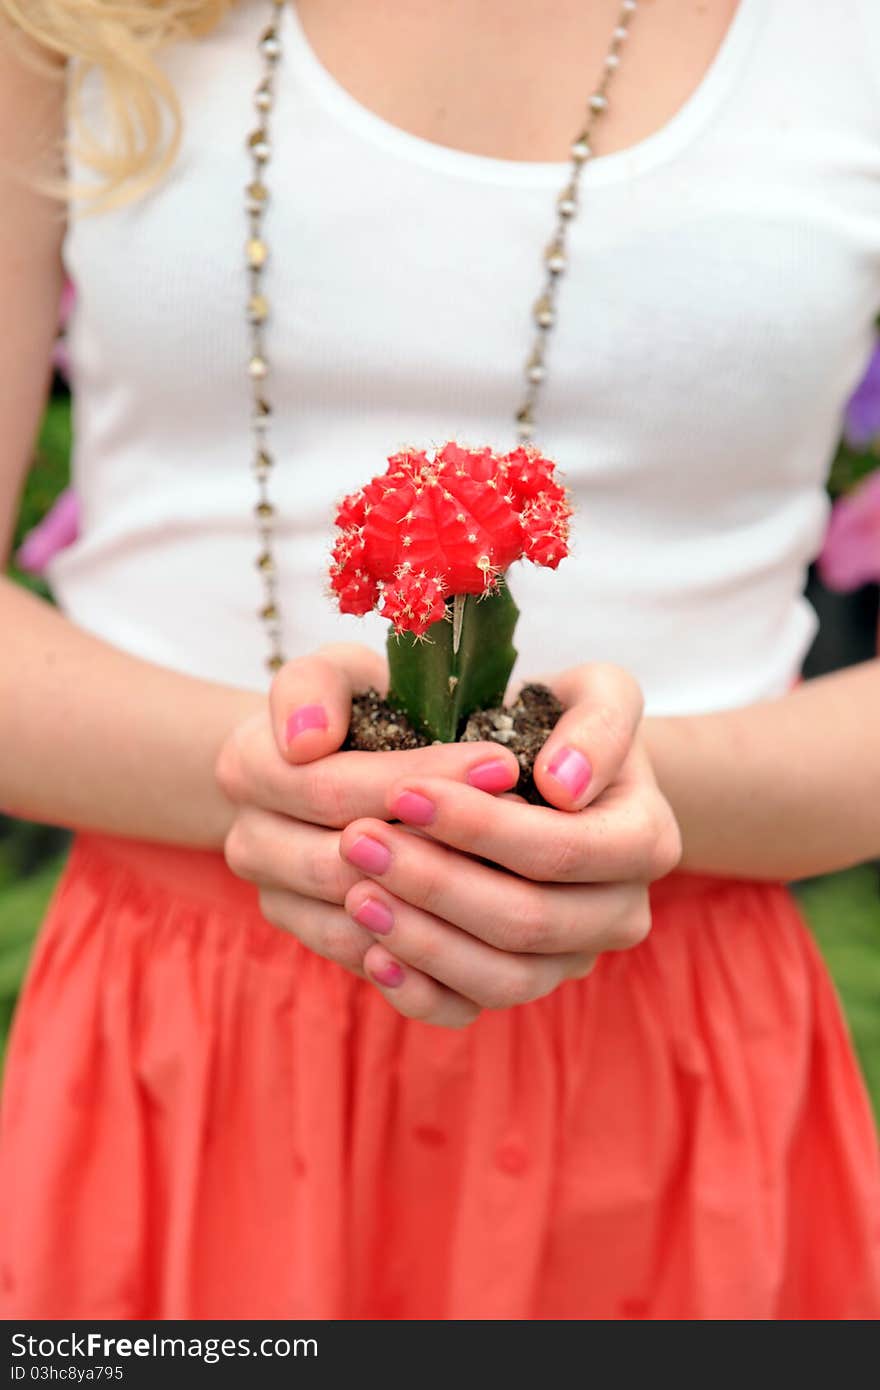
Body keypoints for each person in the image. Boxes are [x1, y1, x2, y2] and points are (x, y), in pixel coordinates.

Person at [0, 0, 878, 1320]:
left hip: (665, 1048)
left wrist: (604, 799)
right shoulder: (69, 20)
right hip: (178, 1031)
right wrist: (315, 789)